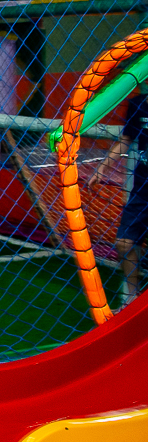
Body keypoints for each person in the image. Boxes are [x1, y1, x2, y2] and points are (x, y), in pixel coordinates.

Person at [88, 90, 148, 305]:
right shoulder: (138, 104)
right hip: (143, 188)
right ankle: (132, 299)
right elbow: (126, 139)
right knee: (124, 243)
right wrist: (102, 167)